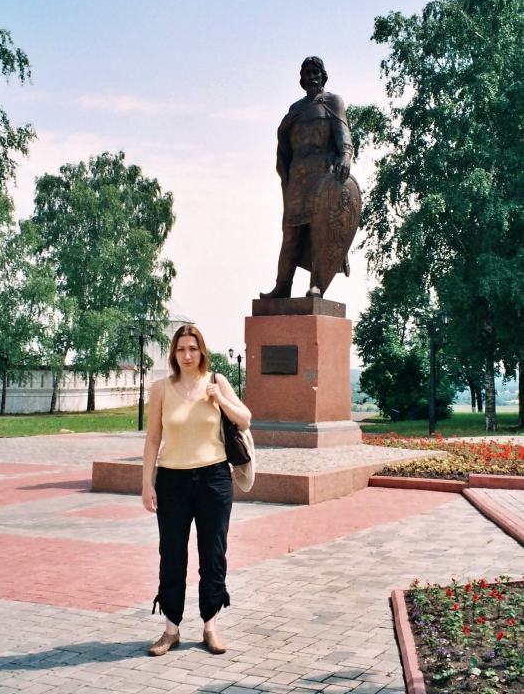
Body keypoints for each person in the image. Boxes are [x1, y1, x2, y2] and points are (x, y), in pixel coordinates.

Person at [142, 324, 251, 656]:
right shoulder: (161, 388)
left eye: (192, 348)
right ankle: (170, 630)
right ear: (173, 354)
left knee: (213, 555)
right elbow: (152, 439)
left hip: (214, 479)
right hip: (172, 481)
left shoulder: (216, 382)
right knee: (172, 556)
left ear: (202, 350)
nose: (187, 355)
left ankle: (210, 627)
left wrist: (221, 400)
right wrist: (147, 483)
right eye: (180, 349)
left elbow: (244, 419)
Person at [261, 56, 354, 298]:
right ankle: (283, 285)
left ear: (324, 76)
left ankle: (317, 284)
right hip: (298, 176)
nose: (312, 76)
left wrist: (345, 155)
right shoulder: (295, 109)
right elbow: (284, 144)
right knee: (291, 232)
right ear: (301, 79)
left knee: (319, 229)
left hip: (322, 173)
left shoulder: (332, 102)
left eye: (316, 72)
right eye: (307, 72)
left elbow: (342, 132)